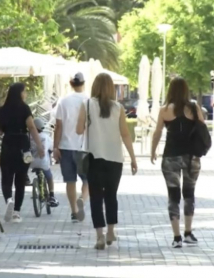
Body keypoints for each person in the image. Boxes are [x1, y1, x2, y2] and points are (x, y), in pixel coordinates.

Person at [76, 73, 137, 250]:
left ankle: (99, 236)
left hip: (94, 158)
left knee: (95, 197)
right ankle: (111, 230)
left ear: (94, 86)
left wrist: (87, 122)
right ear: (111, 88)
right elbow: (125, 134)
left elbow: (79, 130)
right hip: (115, 159)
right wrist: (133, 158)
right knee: (111, 195)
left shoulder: (86, 105)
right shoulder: (118, 107)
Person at [150, 77, 204, 248]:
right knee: (189, 193)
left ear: (170, 91)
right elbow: (203, 128)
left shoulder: (164, 110)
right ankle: (188, 232)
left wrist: (153, 151)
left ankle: (177, 237)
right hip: (191, 157)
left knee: (173, 195)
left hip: (171, 156)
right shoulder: (194, 108)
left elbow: (158, 132)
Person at [0, 83, 44, 223]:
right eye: (24, 92)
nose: (25, 94)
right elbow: (31, 126)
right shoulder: (24, 108)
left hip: (7, 144)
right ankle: (17, 212)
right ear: (19, 93)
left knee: (6, 178)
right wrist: (40, 146)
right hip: (24, 145)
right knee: (21, 179)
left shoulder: (2, 110)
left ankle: (9, 201)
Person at [54, 72, 89, 223]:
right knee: (88, 180)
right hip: (85, 146)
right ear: (84, 83)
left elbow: (58, 126)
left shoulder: (63, 101)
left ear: (71, 83)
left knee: (70, 181)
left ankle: (74, 211)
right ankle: (83, 199)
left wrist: (55, 147)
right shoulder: (89, 101)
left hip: (66, 146)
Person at [30, 118, 59, 207]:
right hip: (43, 163)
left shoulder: (29, 136)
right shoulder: (45, 136)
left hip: (32, 162)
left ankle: (35, 188)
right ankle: (52, 195)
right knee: (49, 177)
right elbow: (50, 148)